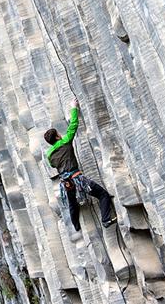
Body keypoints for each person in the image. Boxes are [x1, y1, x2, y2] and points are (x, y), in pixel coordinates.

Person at [44, 99, 117, 233]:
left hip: (66, 182)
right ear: (57, 137)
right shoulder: (65, 141)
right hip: (77, 179)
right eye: (58, 134)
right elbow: (74, 124)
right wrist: (74, 107)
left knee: (72, 203)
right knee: (102, 195)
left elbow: (53, 165)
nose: (61, 135)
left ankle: (76, 226)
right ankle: (106, 219)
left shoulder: (49, 154)